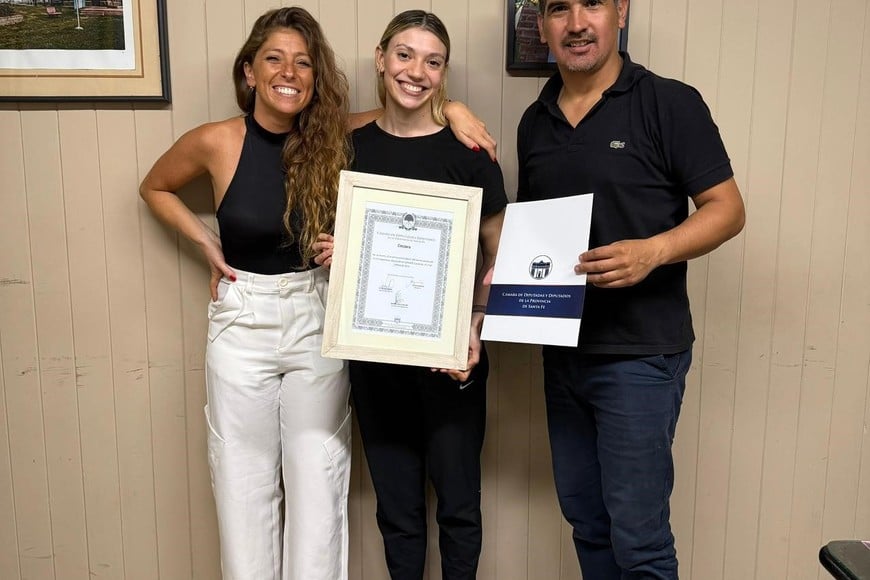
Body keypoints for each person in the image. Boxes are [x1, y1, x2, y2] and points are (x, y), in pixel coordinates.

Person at [138, 7, 496, 579]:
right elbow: (154, 186)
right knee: (242, 481)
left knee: (320, 479)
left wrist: (452, 108)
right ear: (249, 71)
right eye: (274, 59)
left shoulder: (332, 137)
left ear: (315, 77)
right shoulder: (215, 140)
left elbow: (404, 109)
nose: (289, 71)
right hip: (242, 318)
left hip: (316, 309)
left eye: (303, 62)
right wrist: (206, 241)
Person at [517, 1, 746, 579]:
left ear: (619, 13)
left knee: (639, 538)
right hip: (563, 355)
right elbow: (534, 236)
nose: (576, 22)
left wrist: (655, 250)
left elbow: (728, 209)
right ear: (541, 24)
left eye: (592, 3)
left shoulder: (669, 103)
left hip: (641, 356)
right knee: (588, 524)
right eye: (558, 9)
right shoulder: (534, 120)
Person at [315, 10, 506, 580]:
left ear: (443, 73)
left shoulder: (469, 153)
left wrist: (474, 327)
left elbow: (499, 255)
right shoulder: (346, 148)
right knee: (397, 513)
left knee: (458, 509)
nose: (416, 71)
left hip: (453, 362)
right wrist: (337, 251)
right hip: (375, 361)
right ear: (380, 58)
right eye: (404, 54)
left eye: (433, 61)